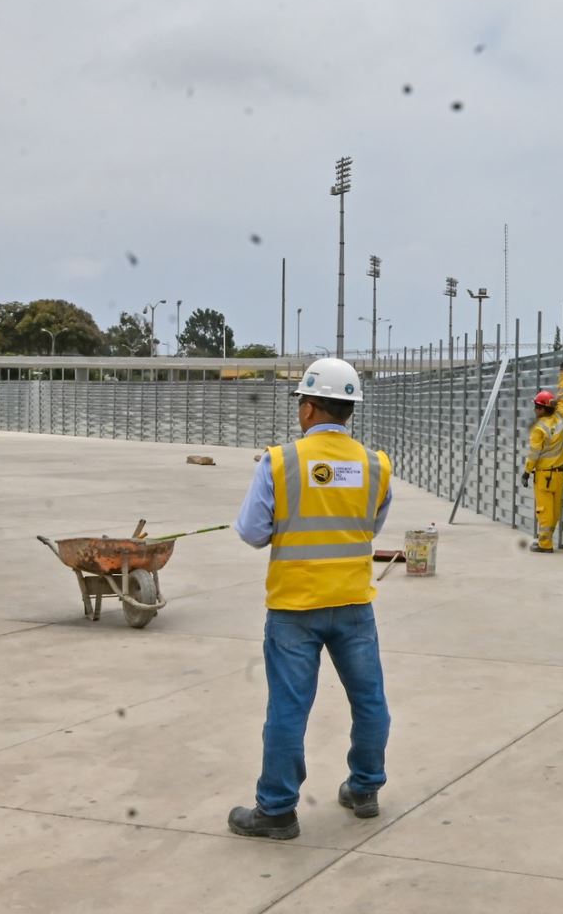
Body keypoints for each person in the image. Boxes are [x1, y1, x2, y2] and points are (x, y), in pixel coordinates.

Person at [228, 357, 393, 841]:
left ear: (307, 408)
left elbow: (252, 533)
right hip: (354, 605)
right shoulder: (375, 465)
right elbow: (369, 527)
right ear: (350, 411)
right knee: (370, 701)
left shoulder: (279, 462)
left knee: (288, 708)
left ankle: (277, 811)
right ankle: (364, 789)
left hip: (294, 608)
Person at [524, 387, 563, 552]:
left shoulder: (539, 428)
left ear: (542, 409)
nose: (535, 410)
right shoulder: (561, 418)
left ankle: (545, 544)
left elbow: (534, 454)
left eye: (536, 407)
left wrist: (526, 472)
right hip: (559, 475)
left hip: (544, 476)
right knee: (555, 511)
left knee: (544, 511)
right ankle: (546, 539)